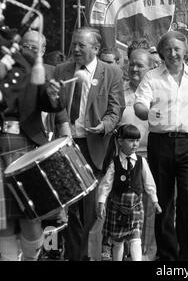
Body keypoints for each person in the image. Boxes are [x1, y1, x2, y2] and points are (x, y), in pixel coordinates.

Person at [134, 31, 188, 261]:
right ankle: (168, 258)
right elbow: (140, 105)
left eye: (177, 49)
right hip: (161, 144)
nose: (173, 53)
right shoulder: (152, 77)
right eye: (168, 49)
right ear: (161, 52)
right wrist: (148, 111)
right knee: (163, 202)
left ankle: (187, 258)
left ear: (185, 50)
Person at [54, 27, 125, 260]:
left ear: (95, 49)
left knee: (91, 209)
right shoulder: (61, 70)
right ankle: (74, 256)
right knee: (71, 209)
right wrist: (63, 124)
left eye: (81, 46)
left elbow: (116, 108)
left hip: (95, 147)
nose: (75, 49)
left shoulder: (112, 72)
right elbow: (55, 103)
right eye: (73, 44)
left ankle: (87, 255)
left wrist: (104, 126)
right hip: (65, 146)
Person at [0, 27, 64, 260]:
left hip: (22, 144)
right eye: (25, 46)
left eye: (34, 48)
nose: (27, 51)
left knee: (31, 216)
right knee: (3, 219)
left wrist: (54, 95)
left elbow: (51, 104)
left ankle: (34, 257)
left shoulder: (38, 73)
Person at [97, 124, 161, 261]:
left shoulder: (141, 162)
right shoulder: (114, 163)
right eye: (131, 141)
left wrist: (155, 200)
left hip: (135, 208)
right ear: (120, 141)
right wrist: (101, 202)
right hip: (117, 208)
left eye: (137, 141)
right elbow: (106, 184)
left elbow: (149, 182)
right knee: (118, 242)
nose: (135, 144)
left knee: (135, 239)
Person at [121, 48, 156, 260]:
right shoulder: (119, 91)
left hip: (152, 157)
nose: (134, 68)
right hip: (125, 159)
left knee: (150, 206)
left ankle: (149, 253)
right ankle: (125, 250)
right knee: (126, 205)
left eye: (140, 65)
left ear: (151, 68)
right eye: (131, 63)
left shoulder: (157, 91)